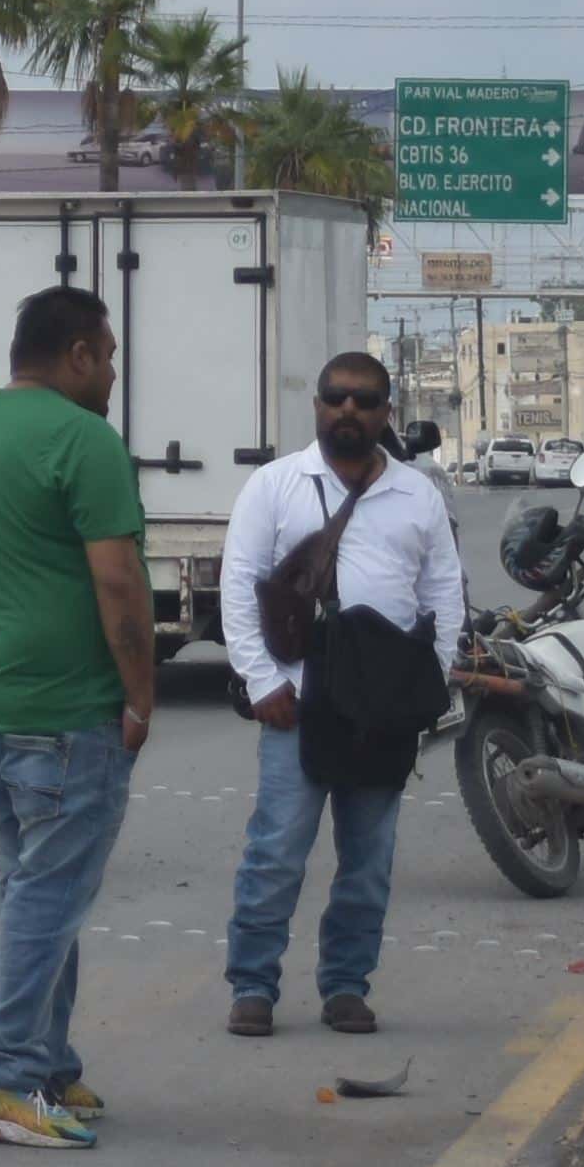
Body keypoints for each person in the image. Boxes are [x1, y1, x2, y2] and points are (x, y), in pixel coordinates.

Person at [0, 284, 154, 1151]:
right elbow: (120, 585)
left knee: (37, 888)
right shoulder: (85, 441)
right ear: (77, 355)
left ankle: (48, 1063)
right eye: (106, 358)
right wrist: (141, 692)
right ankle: (6, 1079)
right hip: (65, 709)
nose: (110, 376)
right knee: (48, 895)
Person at [217, 346, 467, 1037]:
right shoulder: (275, 486)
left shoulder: (417, 494)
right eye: (336, 397)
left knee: (368, 863)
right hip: (297, 701)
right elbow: (239, 585)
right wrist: (263, 680)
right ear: (318, 406)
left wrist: (430, 680)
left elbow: (443, 592)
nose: (349, 409)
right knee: (275, 853)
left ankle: (347, 987)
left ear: (388, 411)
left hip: (384, 706)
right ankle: (253, 986)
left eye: (365, 399)